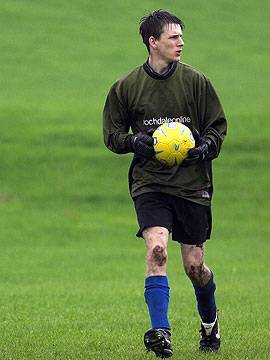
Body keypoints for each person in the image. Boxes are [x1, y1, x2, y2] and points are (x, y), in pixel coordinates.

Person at [103, 9, 227, 358]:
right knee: (157, 249)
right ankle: (161, 332)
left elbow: (217, 127)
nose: (181, 42)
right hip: (150, 183)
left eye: (181, 36)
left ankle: (209, 323)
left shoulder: (196, 82)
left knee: (194, 266)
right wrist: (134, 143)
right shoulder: (127, 86)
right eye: (173, 37)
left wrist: (204, 147)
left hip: (192, 184)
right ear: (152, 42)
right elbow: (112, 134)